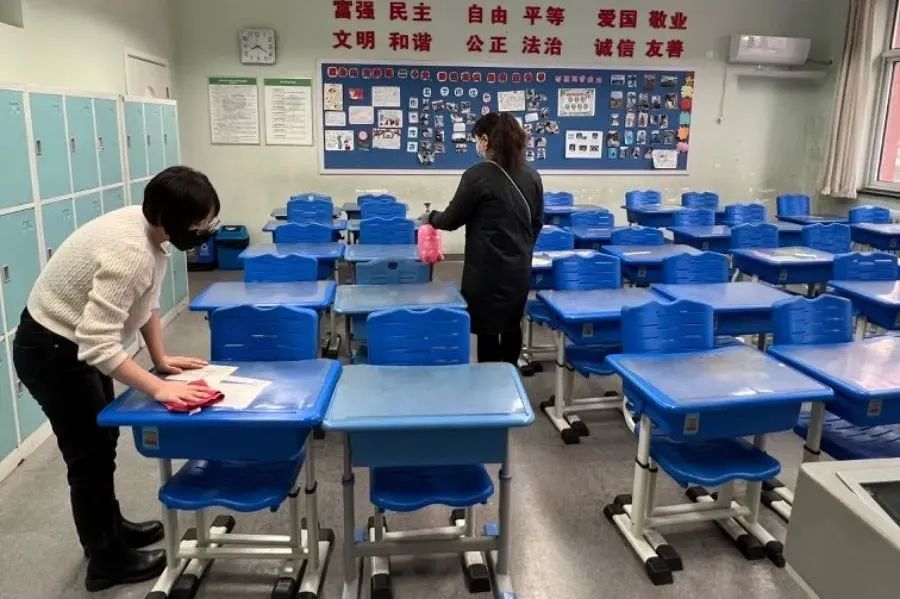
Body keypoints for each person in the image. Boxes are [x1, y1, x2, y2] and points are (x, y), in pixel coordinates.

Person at [13, 166, 221, 592]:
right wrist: (159, 387)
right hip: (52, 348)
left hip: (70, 341)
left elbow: (146, 302)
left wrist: (160, 359)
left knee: (102, 440)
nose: (202, 233)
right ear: (168, 217)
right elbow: (97, 344)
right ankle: (106, 560)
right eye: (198, 225)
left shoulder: (152, 233)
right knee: (87, 455)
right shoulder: (131, 252)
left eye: (207, 224)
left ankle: (110, 529)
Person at [426, 112, 544, 364]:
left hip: (486, 270)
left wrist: (431, 217)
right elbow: (537, 222)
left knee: (488, 330)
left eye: (477, 139)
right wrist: (522, 249)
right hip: (518, 267)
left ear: (486, 140)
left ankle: (491, 381)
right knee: (512, 323)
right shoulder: (532, 175)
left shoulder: (476, 175)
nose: (476, 145)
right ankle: (511, 377)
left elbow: (451, 220)